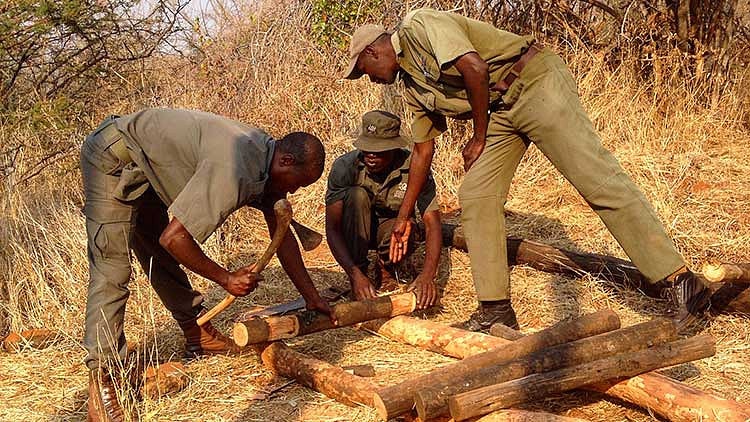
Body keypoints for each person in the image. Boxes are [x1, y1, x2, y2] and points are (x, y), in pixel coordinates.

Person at [342, 9, 710, 331]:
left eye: (365, 71)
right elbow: (423, 151)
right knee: (476, 194)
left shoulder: (420, 25)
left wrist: (478, 137)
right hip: (500, 109)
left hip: (533, 80)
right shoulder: (411, 86)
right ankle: (495, 310)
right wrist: (405, 216)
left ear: (374, 51)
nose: (371, 80)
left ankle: (678, 281)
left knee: (595, 179)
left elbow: (475, 67)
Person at [80, 108, 335, 421]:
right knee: (112, 270)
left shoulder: (267, 161)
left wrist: (311, 296)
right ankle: (104, 378)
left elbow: (280, 234)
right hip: (115, 158)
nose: (293, 192)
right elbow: (175, 238)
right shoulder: (235, 168)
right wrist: (225, 278)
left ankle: (196, 333)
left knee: (156, 254)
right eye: (297, 183)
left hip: (145, 165)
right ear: (285, 161)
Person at [325, 110, 442, 309]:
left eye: (379, 150)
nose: (371, 155)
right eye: (367, 149)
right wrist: (354, 274)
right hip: (354, 230)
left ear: (395, 148)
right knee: (356, 196)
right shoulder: (345, 167)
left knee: (410, 227)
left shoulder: (414, 168)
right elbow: (333, 228)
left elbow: (432, 224)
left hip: (393, 232)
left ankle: (386, 269)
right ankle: (361, 272)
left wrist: (427, 276)